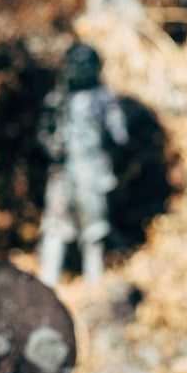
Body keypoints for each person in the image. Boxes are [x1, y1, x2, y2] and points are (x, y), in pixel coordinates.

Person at [38, 43, 129, 287]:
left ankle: (94, 283)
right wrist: (51, 146)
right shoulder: (57, 98)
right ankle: (47, 282)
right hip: (62, 172)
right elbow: (44, 133)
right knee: (54, 227)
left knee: (95, 230)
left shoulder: (104, 99)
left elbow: (120, 136)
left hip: (93, 171)